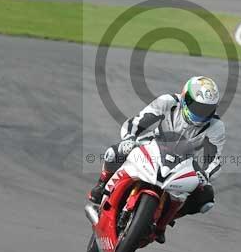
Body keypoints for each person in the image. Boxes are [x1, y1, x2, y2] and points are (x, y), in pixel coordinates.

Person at [88, 76, 226, 243]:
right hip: (155, 143)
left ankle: (164, 221)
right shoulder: (168, 102)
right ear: (185, 98)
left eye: (206, 109)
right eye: (197, 107)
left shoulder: (216, 126)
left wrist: (205, 175)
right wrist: (130, 138)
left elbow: (215, 160)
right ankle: (102, 185)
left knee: (206, 198)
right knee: (115, 152)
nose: (201, 113)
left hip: (184, 161)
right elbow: (137, 122)